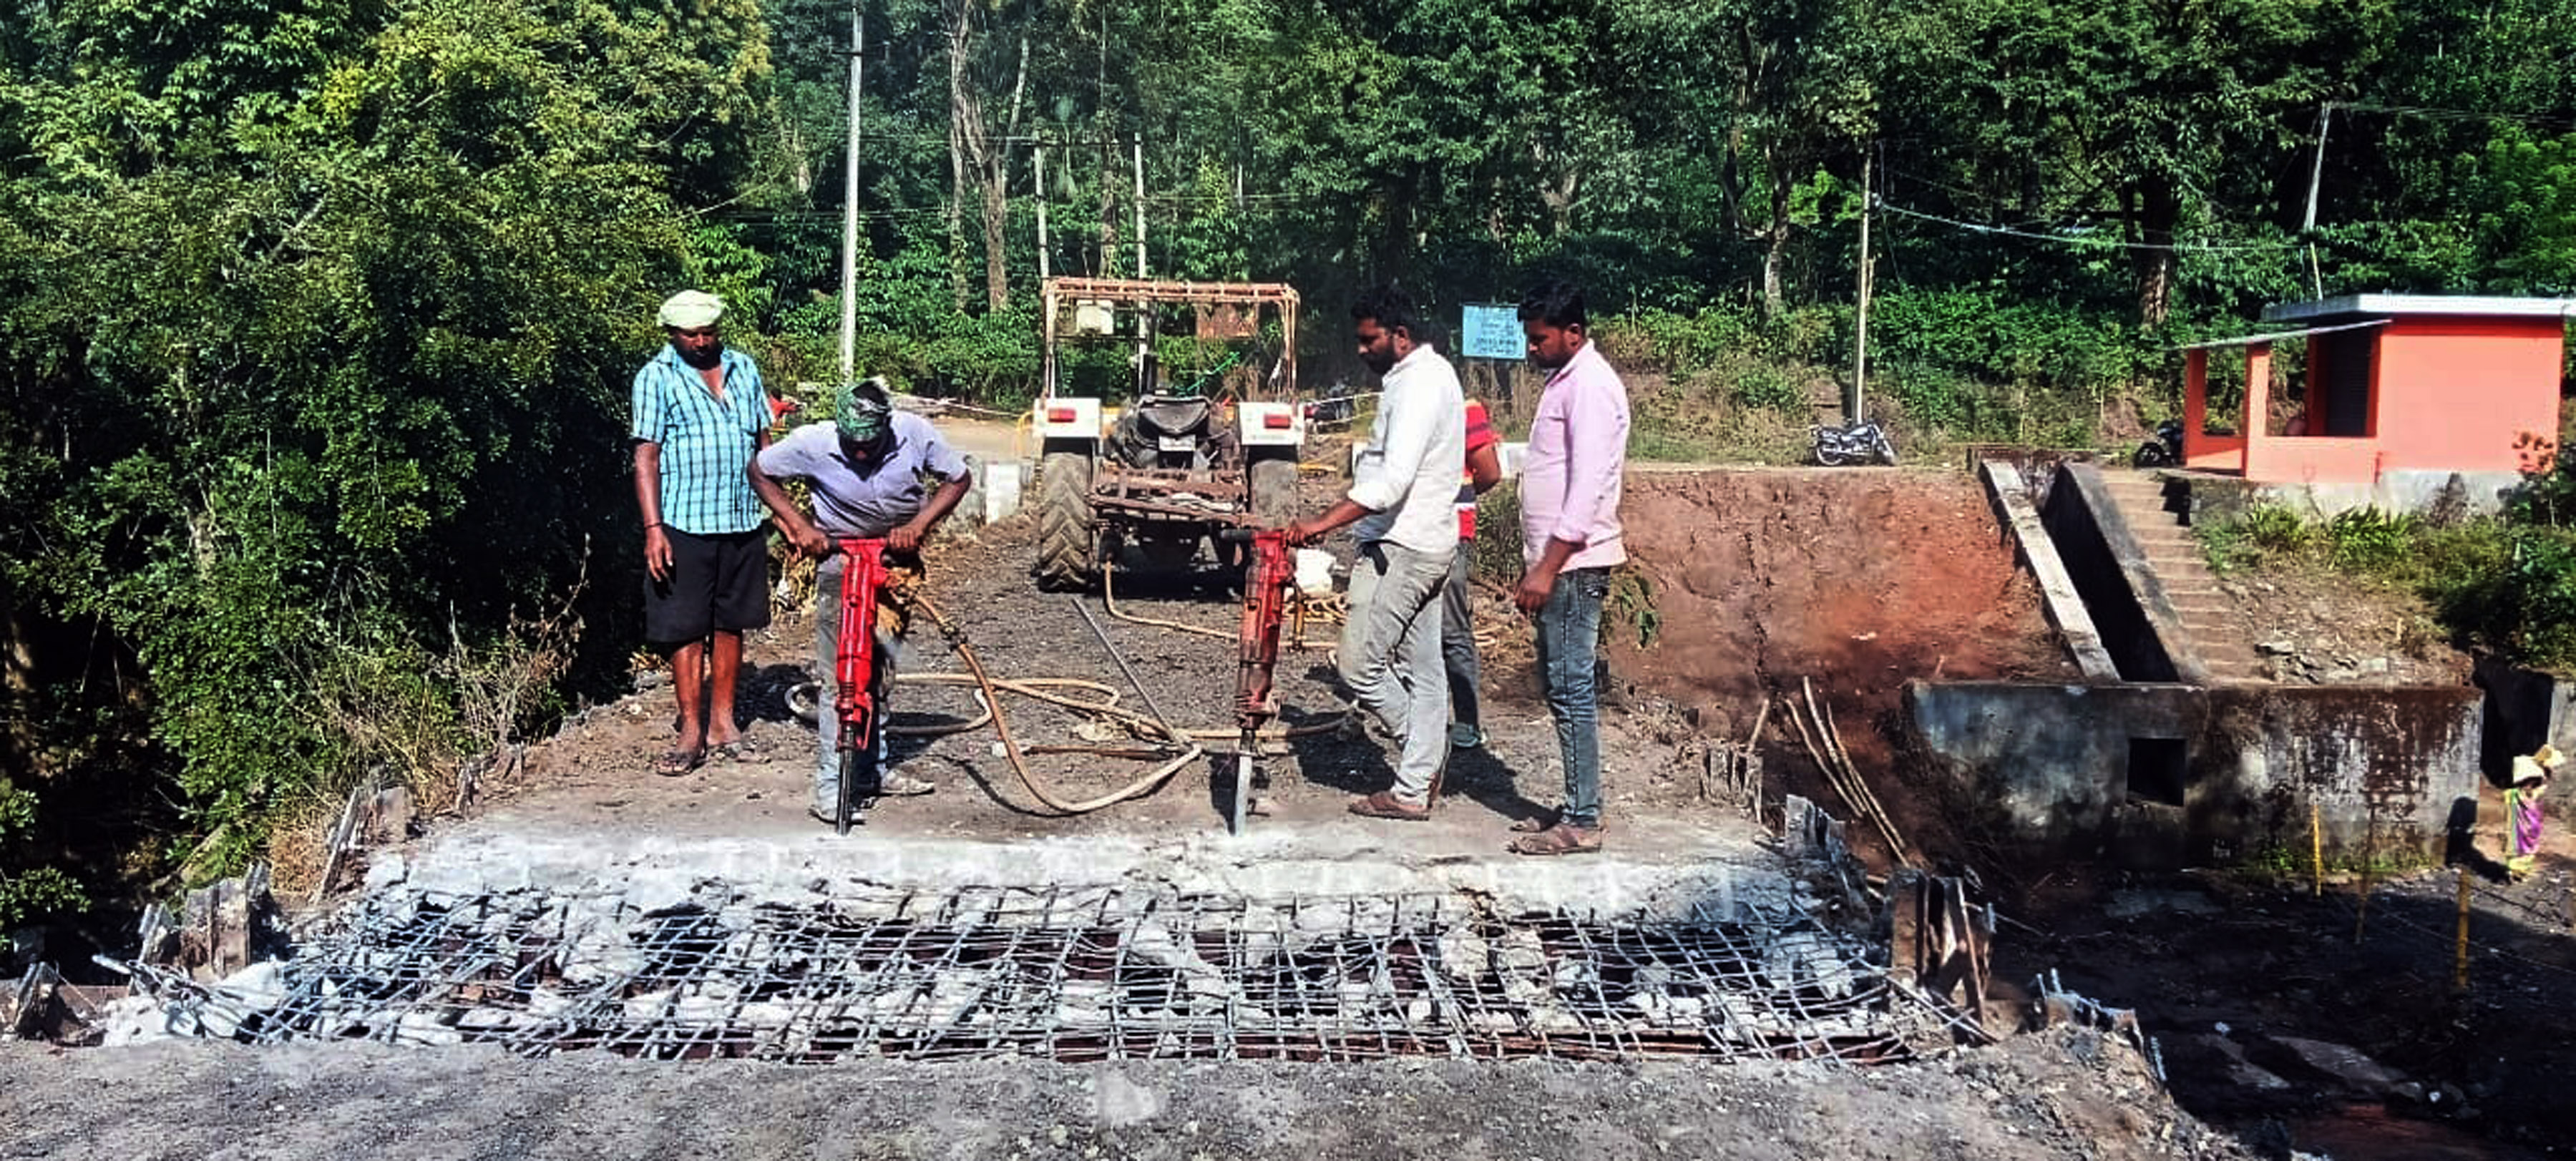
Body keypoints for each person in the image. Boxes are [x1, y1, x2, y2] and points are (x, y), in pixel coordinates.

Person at [751, 377, 973, 823]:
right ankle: (833, 786)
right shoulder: (812, 442)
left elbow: (958, 478)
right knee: (842, 677)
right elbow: (760, 471)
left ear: (887, 428)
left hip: (894, 563)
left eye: (870, 446)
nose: (860, 454)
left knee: (880, 671)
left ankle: (872, 769)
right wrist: (799, 527)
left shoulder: (915, 433)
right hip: (839, 560)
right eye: (853, 445)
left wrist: (921, 525)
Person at [1287, 285, 1466, 820]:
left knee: (1359, 664)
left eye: (1370, 341)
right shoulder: (1433, 378)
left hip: (1405, 546)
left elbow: (1390, 482)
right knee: (1426, 670)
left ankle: (1423, 754)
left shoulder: (1416, 388)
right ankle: (1413, 788)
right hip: (1429, 540)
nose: (1362, 350)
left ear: (1401, 336)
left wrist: (1320, 523)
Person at [1507, 279, 1629, 857]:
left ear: (1573, 333)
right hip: (1561, 564)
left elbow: (1586, 491)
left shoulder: (1591, 388)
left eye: (1540, 339)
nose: (1532, 349)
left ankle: (1583, 819)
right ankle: (1576, 806)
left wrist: (1546, 568)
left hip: (1575, 565)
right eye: (1529, 339)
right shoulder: (1570, 381)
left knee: (1570, 686)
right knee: (1562, 685)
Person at [631, 290, 774, 777]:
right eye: (691, 334)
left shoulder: (743, 368)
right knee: (686, 627)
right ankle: (690, 730)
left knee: (730, 623)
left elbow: (762, 440)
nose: (700, 341)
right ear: (673, 333)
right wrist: (654, 529)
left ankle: (723, 723)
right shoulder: (656, 377)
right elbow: (646, 456)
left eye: (708, 332)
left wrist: (777, 506)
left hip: (740, 517)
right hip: (683, 521)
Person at [1444, 398, 1506, 750]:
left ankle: (1466, 721)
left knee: (1450, 629)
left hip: (1449, 531)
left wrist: (1457, 498)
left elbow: (1490, 471)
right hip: (1425, 530)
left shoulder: (1465, 407)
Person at [2505, 743, 2560, 880]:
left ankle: (2521, 871)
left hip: (2533, 820)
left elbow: (2539, 788)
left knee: (2529, 842)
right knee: (2521, 842)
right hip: (2524, 821)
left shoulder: (2536, 785)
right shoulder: (2521, 790)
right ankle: (2516, 870)